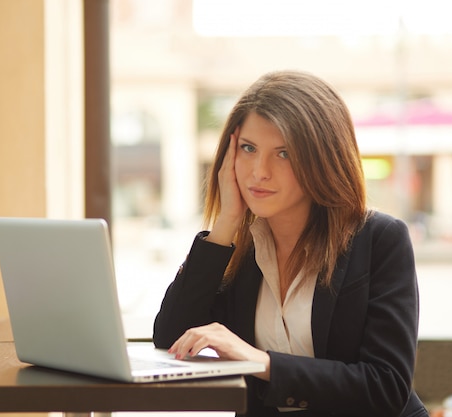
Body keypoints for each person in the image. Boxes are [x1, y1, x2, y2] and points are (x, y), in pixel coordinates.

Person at [153, 70, 428, 417]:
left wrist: (264, 363)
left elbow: (385, 386)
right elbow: (171, 336)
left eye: (283, 153)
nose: (259, 171)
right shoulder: (242, 249)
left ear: (322, 159)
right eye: (248, 149)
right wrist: (225, 225)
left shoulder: (379, 240)